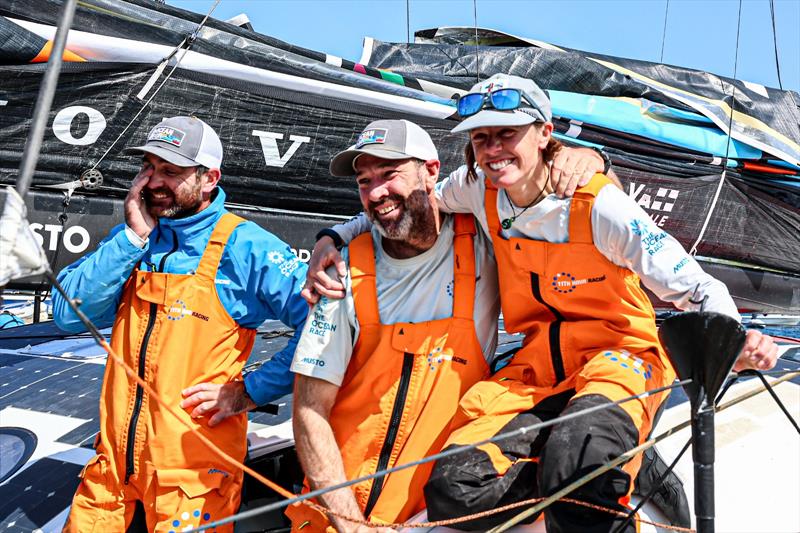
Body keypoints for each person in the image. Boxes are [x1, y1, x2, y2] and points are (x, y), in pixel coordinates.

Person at [306, 74, 778, 532]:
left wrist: (731, 340)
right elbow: (403, 201)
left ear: (545, 133)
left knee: (578, 477)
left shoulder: (599, 205)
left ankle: (606, 465)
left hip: (619, 359)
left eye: (507, 134)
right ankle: (600, 457)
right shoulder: (475, 190)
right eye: (480, 138)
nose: (492, 150)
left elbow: (695, 287)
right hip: (536, 371)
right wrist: (334, 235)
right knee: (453, 489)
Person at [289, 119, 606, 532]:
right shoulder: (341, 273)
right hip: (338, 517)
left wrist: (591, 159)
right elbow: (309, 409)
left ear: (431, 171)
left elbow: (560, 199)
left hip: (441, 515)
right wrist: (350, 524)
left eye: (390, 174)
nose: (376, 192)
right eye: (364, 182)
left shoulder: (483, 241)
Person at [52, 116, 308, 532]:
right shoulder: (134, 238)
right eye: (148, 167)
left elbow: (326, 327)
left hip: (192, 478)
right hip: (112, 476)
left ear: (210, 178)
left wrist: (248, 391)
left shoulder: (246, 246)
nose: (153, 181)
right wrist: (132, 237)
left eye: (170, 171)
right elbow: (67, 314)